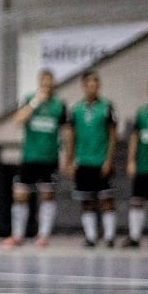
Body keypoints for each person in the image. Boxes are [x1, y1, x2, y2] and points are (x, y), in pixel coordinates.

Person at [1, 68, 69, 249]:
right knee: (20, 194)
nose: (47, 85)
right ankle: (17, 236)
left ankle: (43, 236)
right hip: (30, 156)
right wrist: (35, 103)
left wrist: (67, 158)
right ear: (39, 83)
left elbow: (67, 132)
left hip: (50, 157)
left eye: (50, 81)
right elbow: (18, 120)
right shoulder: (30, 99)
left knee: (47, 195)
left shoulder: (59, 105)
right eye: (44, 81)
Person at [63, 70, 118, 247]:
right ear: (84, 86)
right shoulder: (76, 109)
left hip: (101, 160)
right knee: (86, 200)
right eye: (89, 84)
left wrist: (109, 160)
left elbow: (112, 135)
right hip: (83, 161)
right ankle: (91, 236)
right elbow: (71, 136)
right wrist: (69, 160)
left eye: (96, 84)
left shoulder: (107, 107)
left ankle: (109, 236)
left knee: (106, 199)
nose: (93, 88)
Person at [123, 83, 148, 247]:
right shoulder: (142, 114)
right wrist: (131, 161)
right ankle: (134, 236)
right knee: (137, 201)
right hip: (143, 165)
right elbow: (134, 139)